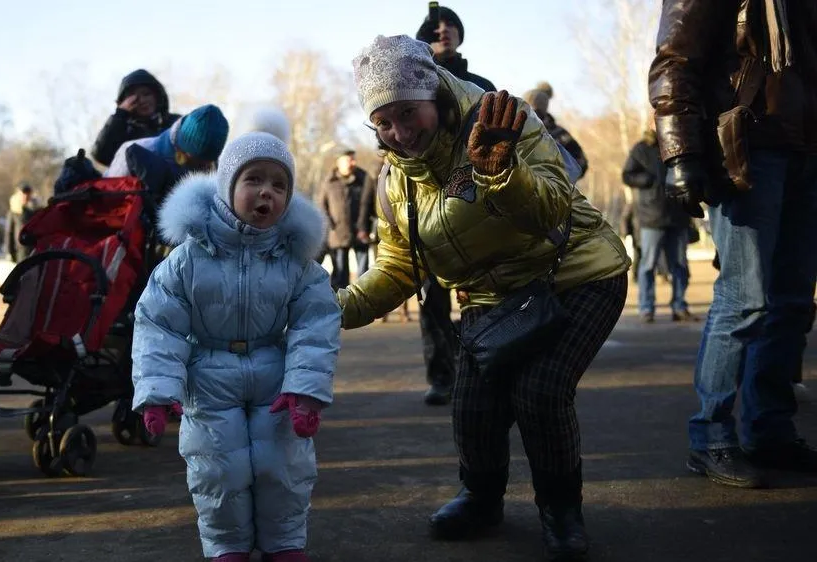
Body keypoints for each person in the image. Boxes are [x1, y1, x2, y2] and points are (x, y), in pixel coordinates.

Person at [341, 35, 630, 559]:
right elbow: (400, 266)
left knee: (541, 391)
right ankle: (481, 497)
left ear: (433, 95)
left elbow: (553, 208)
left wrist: (500, 173)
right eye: (384, 122)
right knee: (472, 405)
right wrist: (333, 309)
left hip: (574, 274)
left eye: (409, 113)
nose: (401, 134)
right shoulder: (394, 183)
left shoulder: (502, 119)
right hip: (490, 300)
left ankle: (561, 509)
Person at [130, 121, 340, 562]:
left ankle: (284, 543)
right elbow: (159, 324)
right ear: (227, 185)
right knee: (217, 470)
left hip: (275, 377)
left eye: (280, 185)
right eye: (254, 179)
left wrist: (305, 388)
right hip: (208, 376)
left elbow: (315, 322)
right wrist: (157, 390)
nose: (267, 192)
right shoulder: (189, 256)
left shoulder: (295, 261)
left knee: (284, 464)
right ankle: (227, 547)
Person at [649, 0, 817, 488]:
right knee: (745, 299)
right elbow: (674, 60)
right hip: (749, 150)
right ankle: (711, 438)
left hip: (806, 150)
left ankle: (771, 431)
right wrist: (680, 153)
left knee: (790, 303)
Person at [413, 5, 497, 406]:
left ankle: (480, 372)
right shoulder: (412, 88)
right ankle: (441, 376)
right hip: (427, 210)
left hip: (477, 208)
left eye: (451, 25)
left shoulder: (482, 86)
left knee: (479, 298)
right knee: (432, 299)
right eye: (434, 26)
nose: (443, 30)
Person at [622, 129, 697, 323]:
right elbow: (627, 174)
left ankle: (679, 306)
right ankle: (646, 308)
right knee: (648, 265)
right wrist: (648, 181)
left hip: (678, 214)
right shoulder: (642, 148)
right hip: (652, 216)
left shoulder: (680, 141)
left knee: (680, 264)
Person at [90, 69, 181, 167]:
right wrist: (120, 114)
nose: (142, 101)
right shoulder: (124, 133)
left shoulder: (176, 123)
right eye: (135, 98)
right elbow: (101, 155)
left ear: (157, 96)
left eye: (146, 94)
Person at [316, 149, 376, 290]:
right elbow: (321, 206)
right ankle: (339, 306)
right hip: (338, 234)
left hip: (361, 232)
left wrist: (367, 226)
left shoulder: (363, 178)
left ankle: (364, 304)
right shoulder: (329, 181)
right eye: (349, 160)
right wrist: (331, 226)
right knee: (340, 275)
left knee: (364, 273)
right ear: (339, 162)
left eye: (353, 159)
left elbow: (370, 203)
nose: (353, 163)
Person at [523, 88, 588, 180]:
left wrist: (559, 177)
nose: (530, 115)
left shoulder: (559, 134)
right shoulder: (517, 130)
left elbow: (581, 163)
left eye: (534, 111)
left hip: (552, 190)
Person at [5, 183, 40, 263]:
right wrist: (9, 252)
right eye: (23, 194)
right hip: (20, 251)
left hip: (35, 250)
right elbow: (9, 232)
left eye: (28, 194)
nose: (26, 196)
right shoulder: (14, 212)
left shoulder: (36, 210)